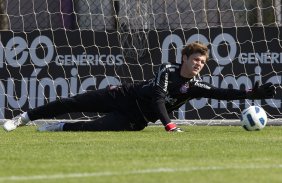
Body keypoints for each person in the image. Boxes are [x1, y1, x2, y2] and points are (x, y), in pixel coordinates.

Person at [3, 42, 276, 132]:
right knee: (73, 102)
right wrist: (170, 126)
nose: (199, 65)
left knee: (93, 128)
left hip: (135, 119)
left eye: (203, 62)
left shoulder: (194, 85)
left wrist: (250, 93)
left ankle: (58, 127)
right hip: (123, 95)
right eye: (195, 60)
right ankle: (25, 117)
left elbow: (220, 92)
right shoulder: (167, 71)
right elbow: (158, 98)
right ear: (184, 58)